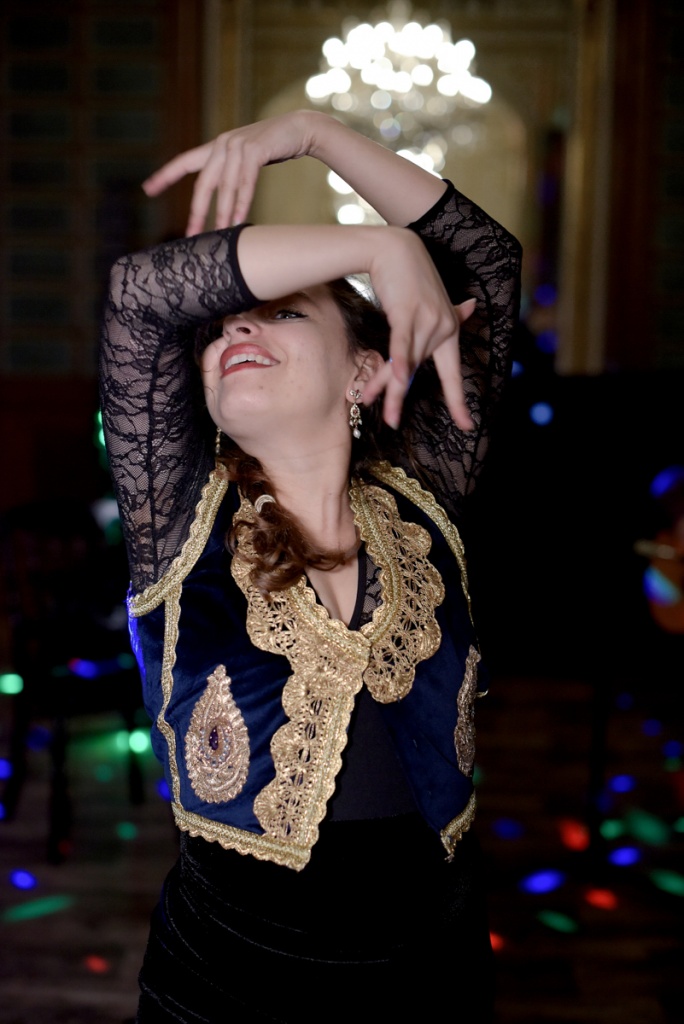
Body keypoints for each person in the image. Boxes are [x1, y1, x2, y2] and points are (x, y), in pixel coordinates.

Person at [100, 110, 521, 1022]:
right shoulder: (179, 515)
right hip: (228, 982)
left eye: (285, 311)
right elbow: (142, 291)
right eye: (219, 331)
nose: (236, 331)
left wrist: (314, 132)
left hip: (433, 971)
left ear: (365, 372)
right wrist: (376, 245)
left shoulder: (426, 498)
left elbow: (486, 259)